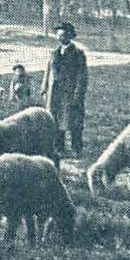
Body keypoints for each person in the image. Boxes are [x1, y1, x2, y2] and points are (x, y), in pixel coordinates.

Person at [42, 21, 88, 158]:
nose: (60, 38)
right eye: (58, 35)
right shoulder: (54, 53)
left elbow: (82, 75)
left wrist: (78, 94)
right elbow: (48, 70)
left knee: (73, 121)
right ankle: (59, 147)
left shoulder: (78, 53)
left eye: (63, 35)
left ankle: (76, 148)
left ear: (69, 36)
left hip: (70, 92)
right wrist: (44, 87)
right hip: (55, 93)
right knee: (55, 120)